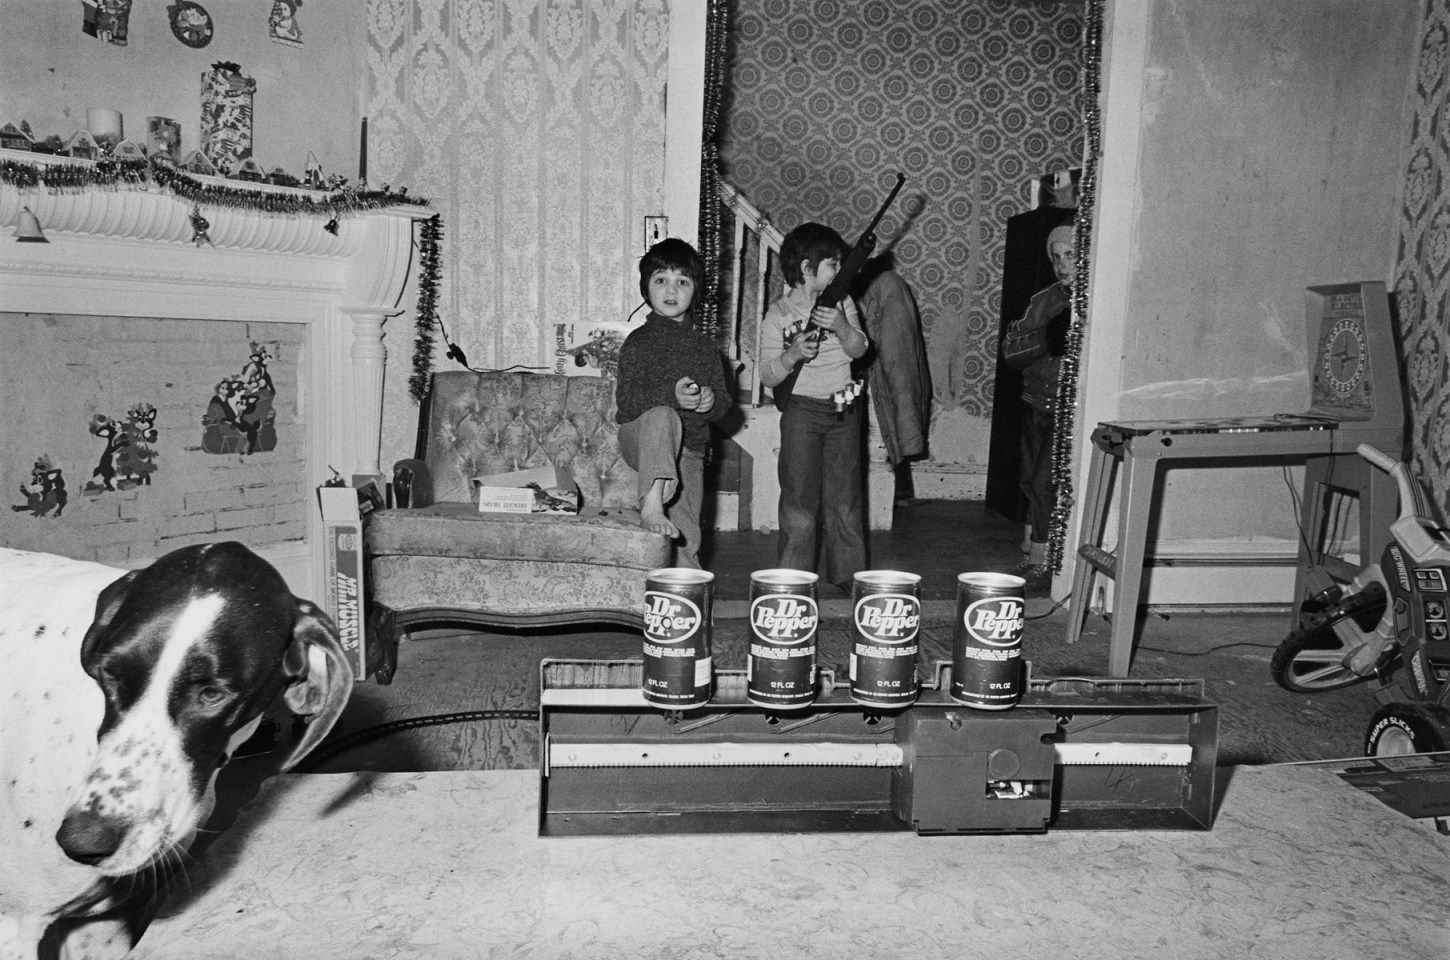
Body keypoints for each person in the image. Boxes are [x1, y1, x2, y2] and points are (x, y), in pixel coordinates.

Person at [759, 222, 872, 593]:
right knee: (798, 501)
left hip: (843, 409)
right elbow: (769, 376)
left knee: (845, 500)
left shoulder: (843, 303)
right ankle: (792, 581)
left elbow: (860, 350)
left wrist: (842, 327)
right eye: (832, 264)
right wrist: (792, 355)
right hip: (801, 413)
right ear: (807, 269)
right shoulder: (777, 315)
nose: (840, 271)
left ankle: (849, 576)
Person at [614, 238, 732, 568]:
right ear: (646, 288)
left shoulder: (705, 348)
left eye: (683, 281)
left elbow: (724, 407)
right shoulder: (638, 343)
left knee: (687, 538)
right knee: (664, 415)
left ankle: (683, 605)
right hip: (641, 439)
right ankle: (651, 504)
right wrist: (672, 396)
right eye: (661, 280)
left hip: (689, 451)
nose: (671, 289)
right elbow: (625, 404)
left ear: (695, 291)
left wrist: (708, 401)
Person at [1001, 223, 1074, 582]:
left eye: (1070, 255)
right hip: (1035, 404)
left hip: (1067, 410)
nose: (1062, 264)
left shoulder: (1092, 299)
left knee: (1046, 483)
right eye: (1056, 257)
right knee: (1031, 481)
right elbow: (1012, 351)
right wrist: (1046, 336)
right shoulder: (1043, 301)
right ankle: (1032, 550)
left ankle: (1044, 558)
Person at [855, 253, 932, 500]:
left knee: (894, 402)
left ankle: (899, 486)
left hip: (884, 372)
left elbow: (898, 362)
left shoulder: (887, 288)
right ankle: (900, 486)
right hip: (880, 372)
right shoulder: (889, 288)